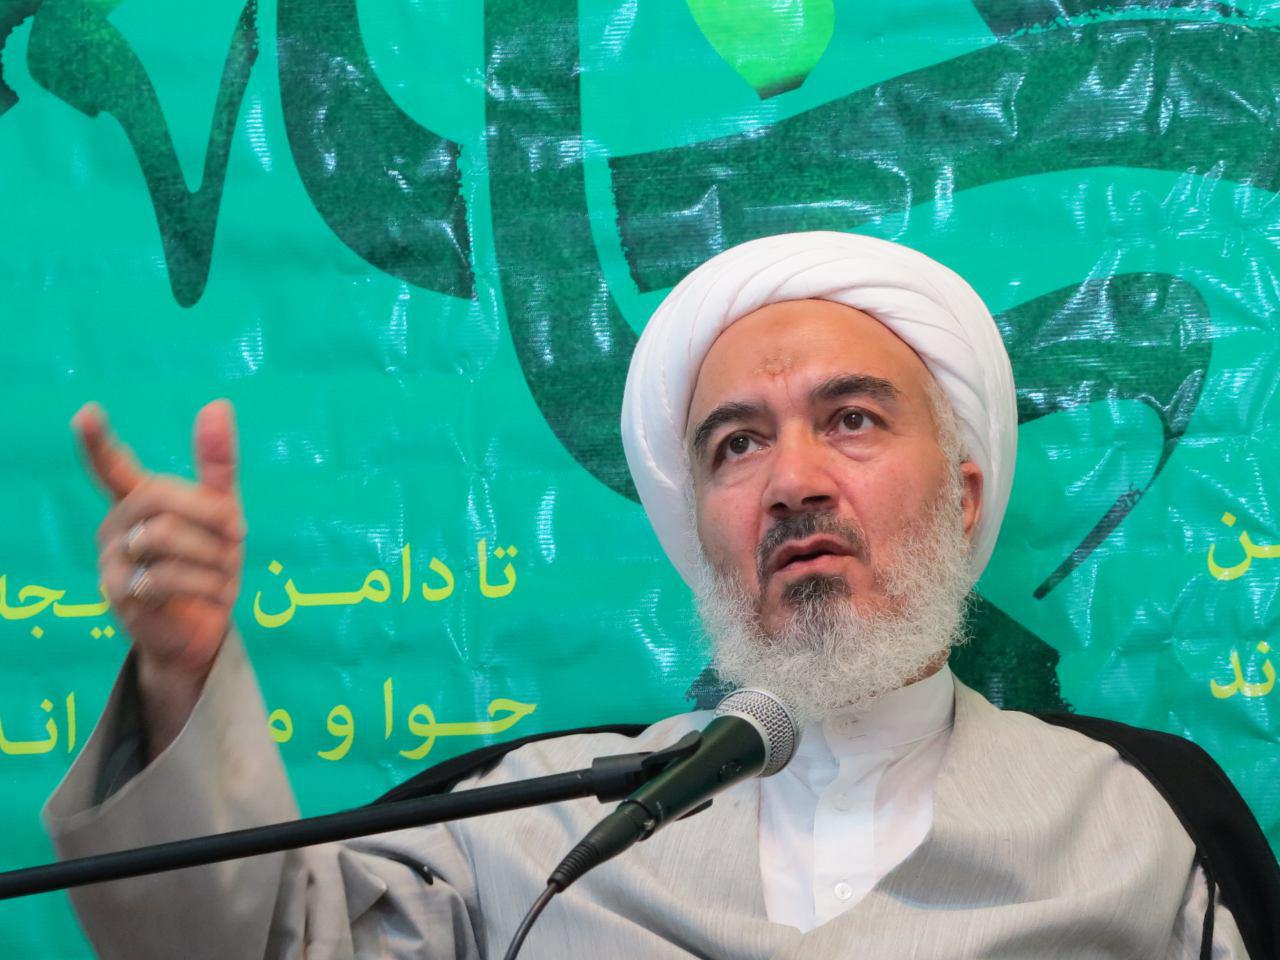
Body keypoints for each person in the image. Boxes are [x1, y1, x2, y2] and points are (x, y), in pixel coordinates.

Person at [43, 233, 1270, 958]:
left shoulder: (1134, 828)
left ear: (960, 497)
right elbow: (255, 945)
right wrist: (183, 674)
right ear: (700, 530)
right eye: (735, 445)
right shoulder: (528, 832)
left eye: (849, 420)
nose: (791, 481)